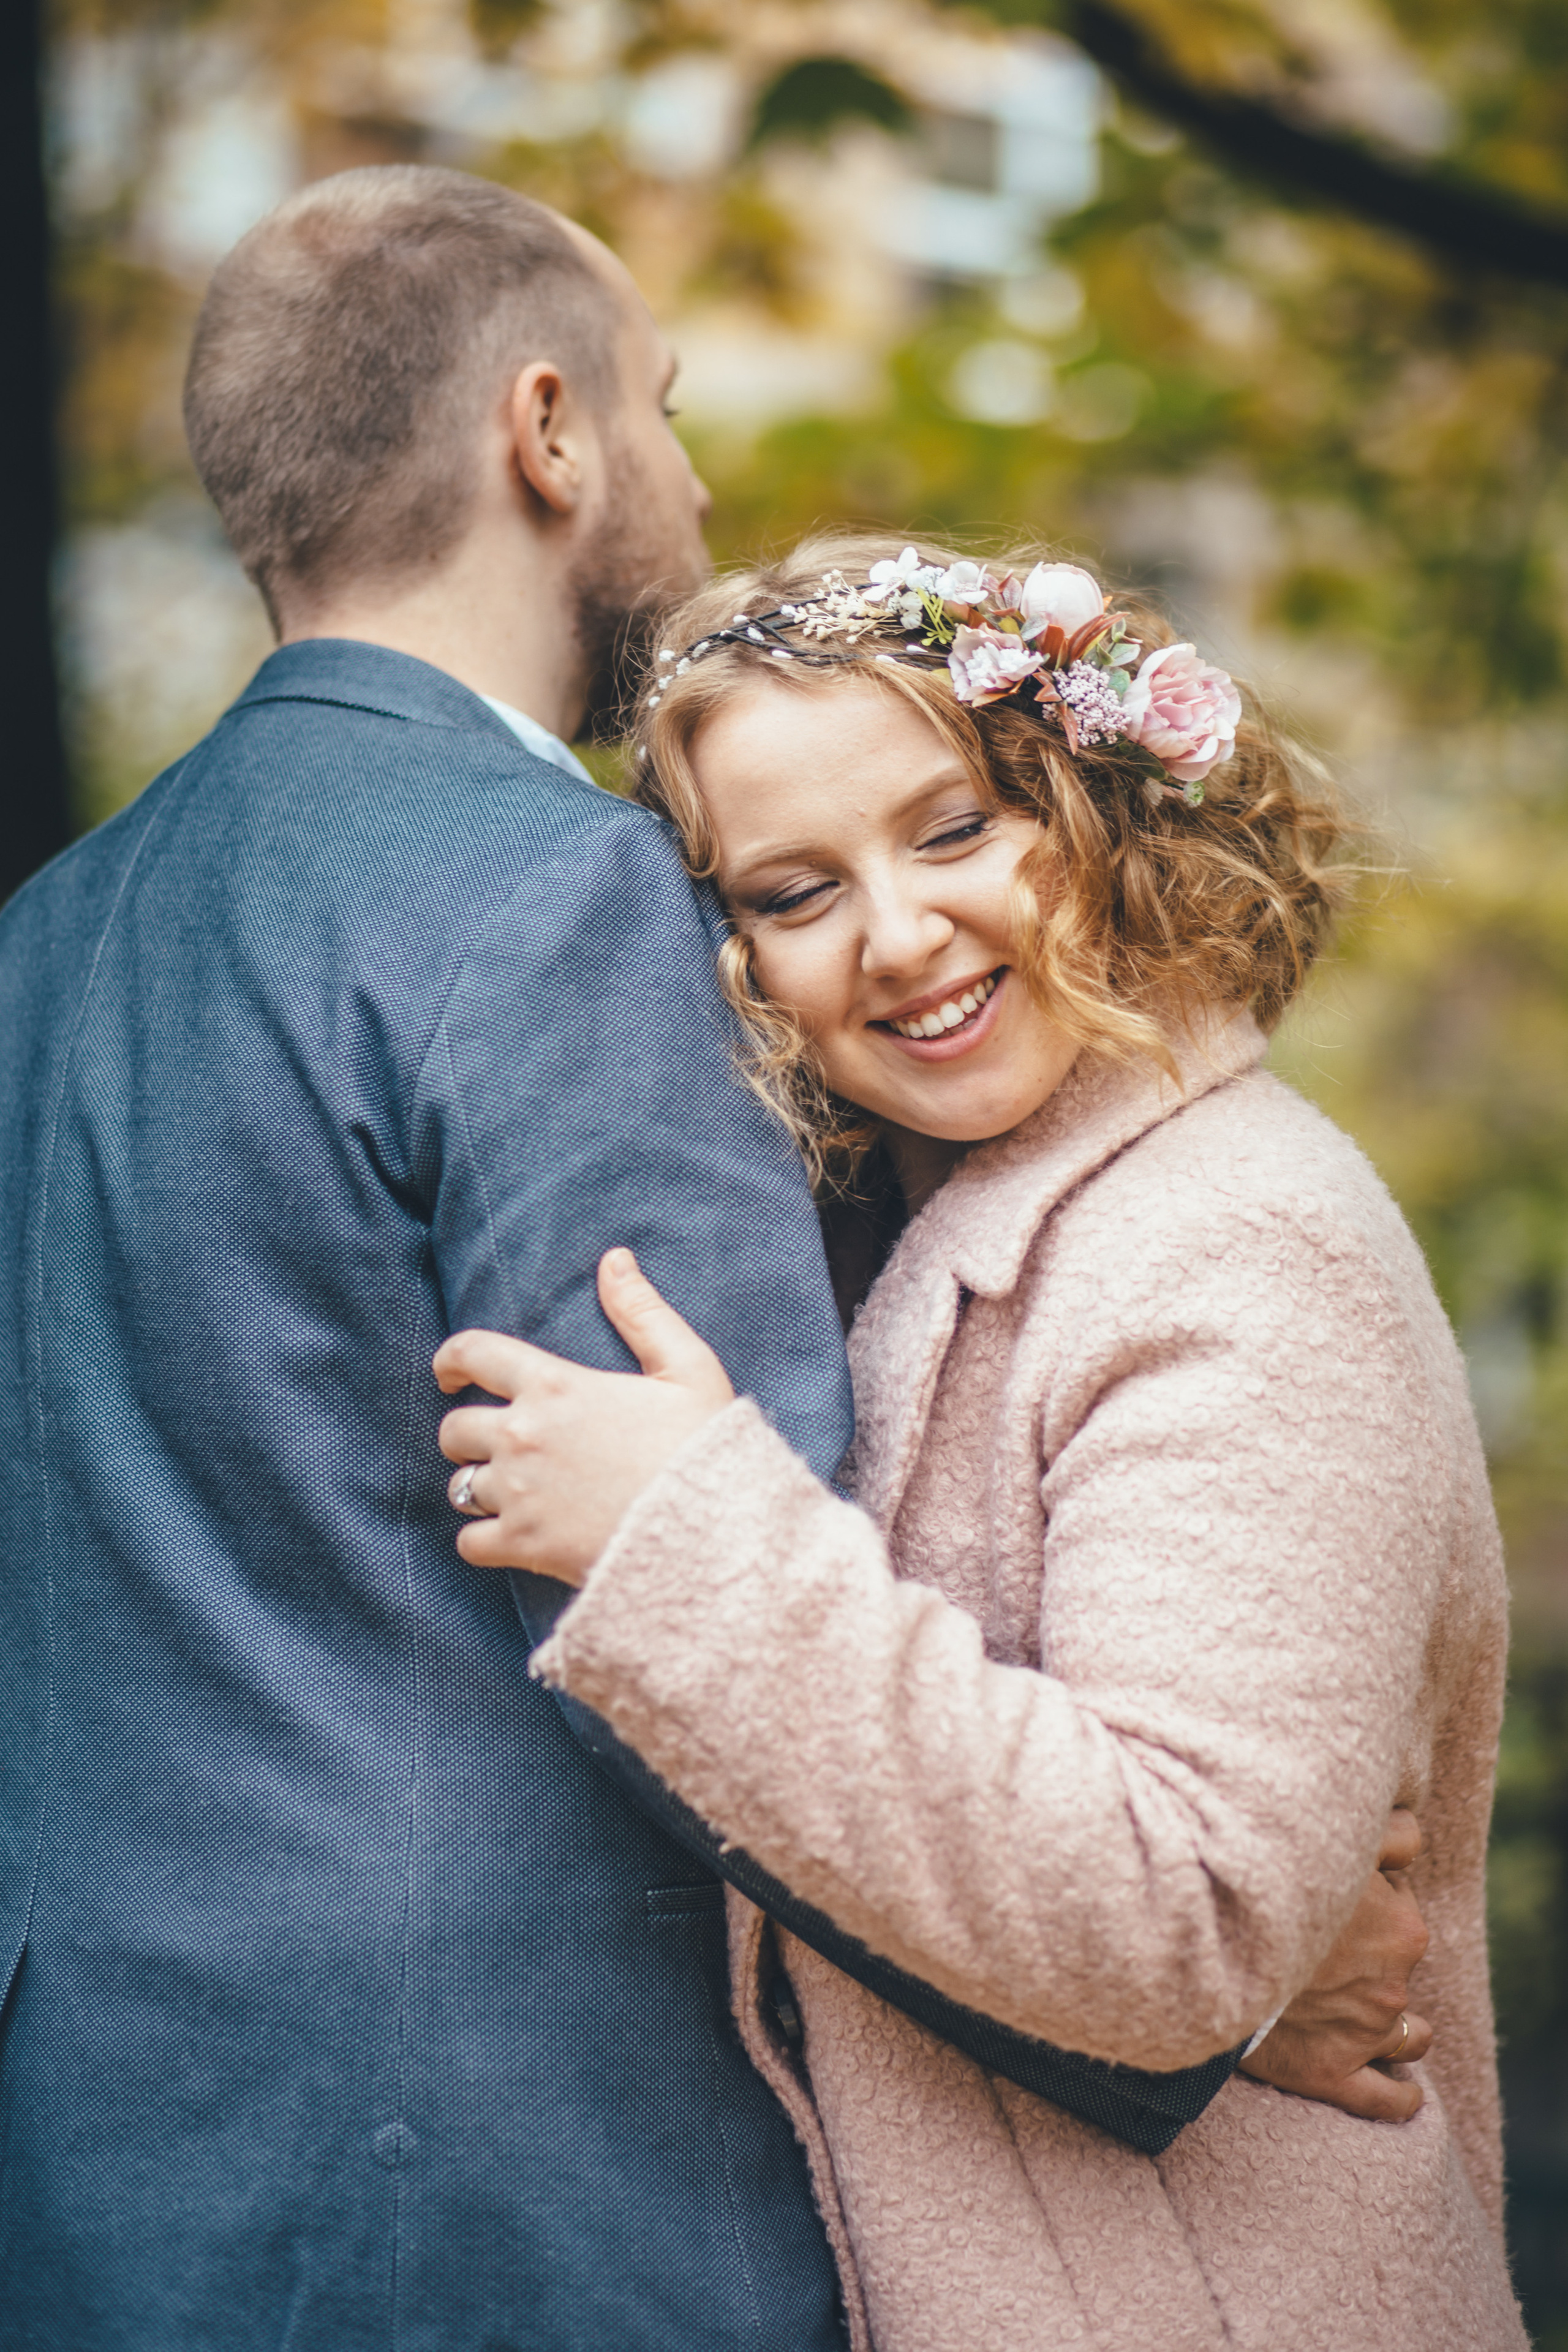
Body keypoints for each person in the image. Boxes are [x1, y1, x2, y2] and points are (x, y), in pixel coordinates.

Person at [0, 160, 1426, 2345]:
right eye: (662, 407)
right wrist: (1197, 2003)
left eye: (956, 829)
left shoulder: (49, 938)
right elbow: (704, 1620)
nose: (685, 475)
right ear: (550, 434)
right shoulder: (555, 899)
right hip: (529, 2190)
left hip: (108, 2168)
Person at [434, 535, 1529, 2351]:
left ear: (1093, 807)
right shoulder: (959, 1232)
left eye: (954, 831)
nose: (900, 934)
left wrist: (688, 1540)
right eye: (795, 892)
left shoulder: (1237, 1242)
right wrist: (1262, 1989)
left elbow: (1178, 1908)